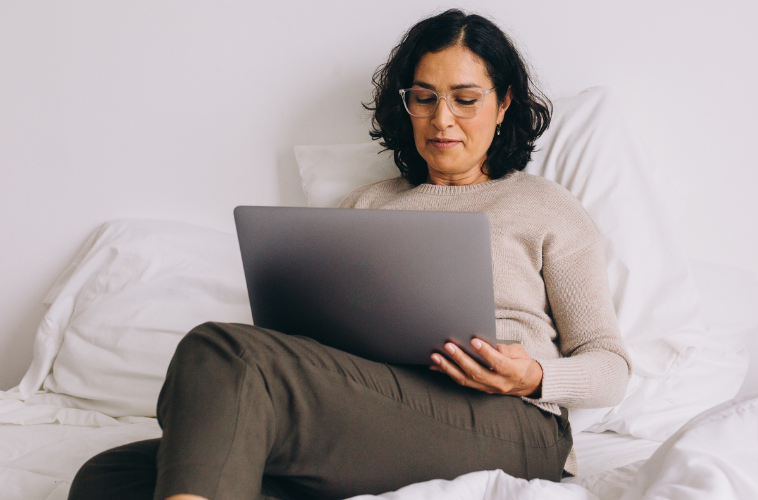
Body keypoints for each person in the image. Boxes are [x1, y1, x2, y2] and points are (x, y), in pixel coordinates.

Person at [68, 9, 631, 500]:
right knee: (109, 477)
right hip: (367, 408)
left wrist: (531, 376)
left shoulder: (546, 205)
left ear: (504, 102)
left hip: (507, 423)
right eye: (424, 98)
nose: (441, 120)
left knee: (224, 352)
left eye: (464, 99)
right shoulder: (366, 204)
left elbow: (610, 366)